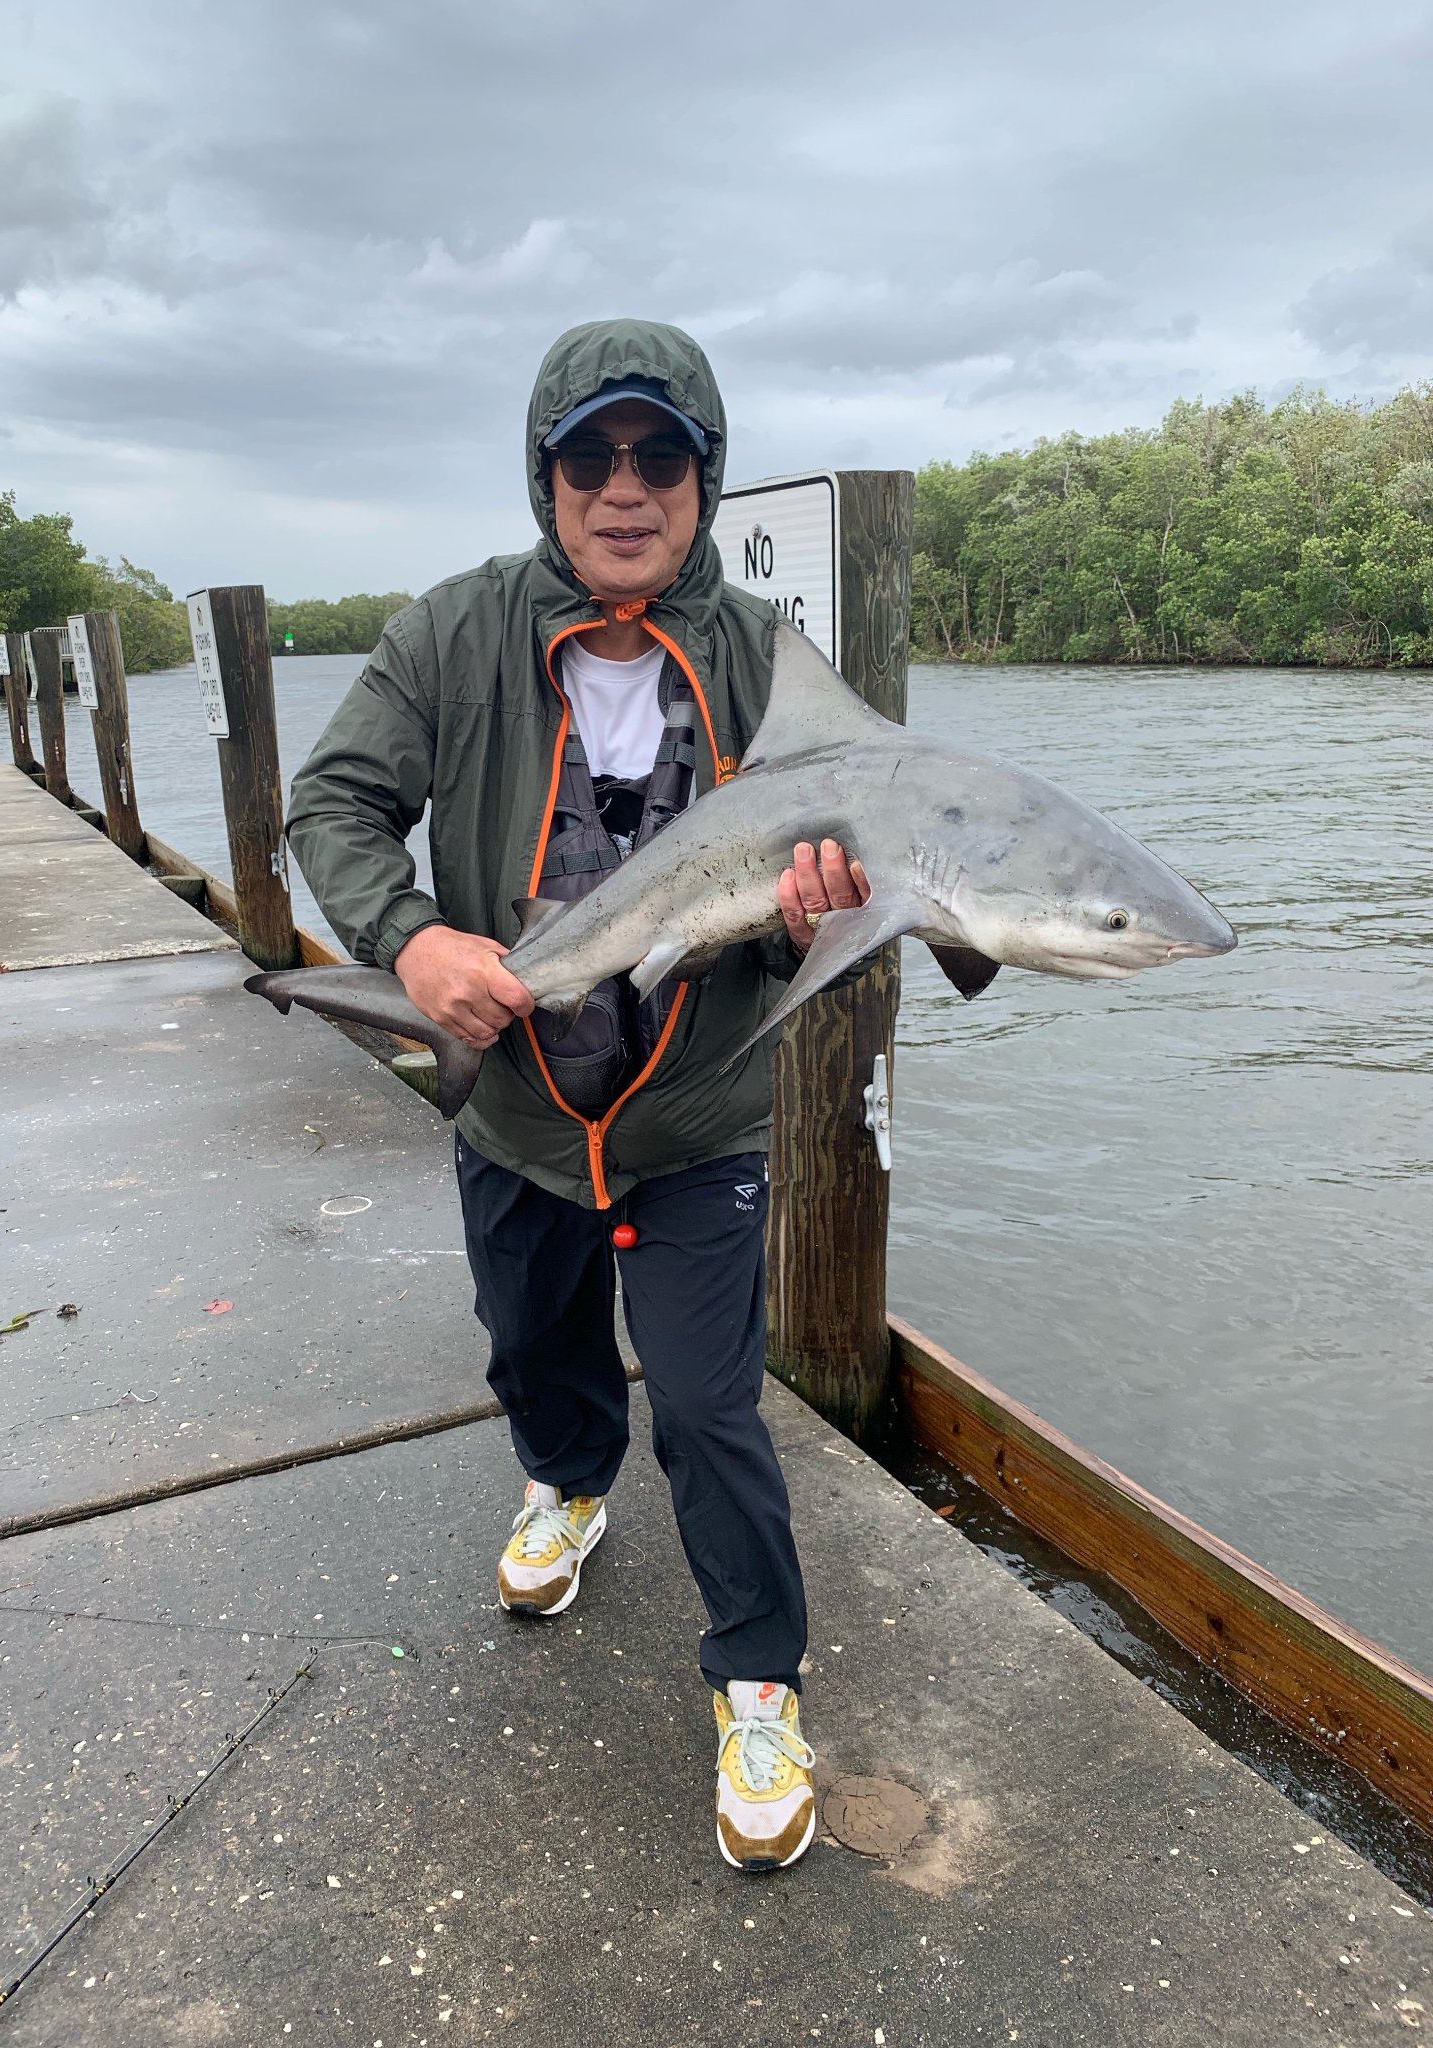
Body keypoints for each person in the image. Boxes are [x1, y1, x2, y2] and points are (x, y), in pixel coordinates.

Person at [287, 318, 872, 1873]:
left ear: (704, 479)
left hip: (697, 1115)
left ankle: (759, 1676)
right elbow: (332, 803)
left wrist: (825, 904)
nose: (628, 490)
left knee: (708, 1402)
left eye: (661, 457)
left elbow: (852, 871)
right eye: (591, 457)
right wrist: (408, 946)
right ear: (544, 476)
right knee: (533, 1347)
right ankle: (565, 1481)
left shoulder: (764, 658)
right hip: (524, 1107)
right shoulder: (449, 634)